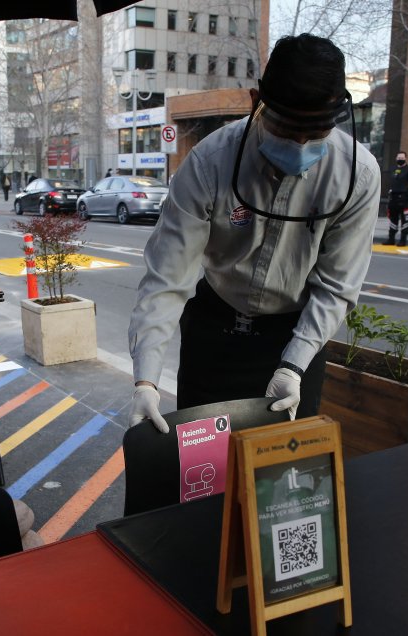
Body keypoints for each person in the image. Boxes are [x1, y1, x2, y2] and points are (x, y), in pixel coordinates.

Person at [128, 34, 380, 433]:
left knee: (282, 481)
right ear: (255, 101)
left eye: (314, 133)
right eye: (286, 128)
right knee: (205, 475)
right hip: (214, 333)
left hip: (294, 339)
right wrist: (146, 380)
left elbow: (336, 286)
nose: (299, 145)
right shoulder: (209, 163)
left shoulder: (357, 175)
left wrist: (294, 365)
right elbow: (167, 280)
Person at [385, 151, 408, 246]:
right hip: (393, 198)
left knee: (405, 220)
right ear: (396, 159)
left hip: (404, 199)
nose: (400, 160)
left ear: (406, 159)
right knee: (393, 219)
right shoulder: (393, 169)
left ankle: (403, 240)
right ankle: (391, 239)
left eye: (402, 158)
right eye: (398, 158)